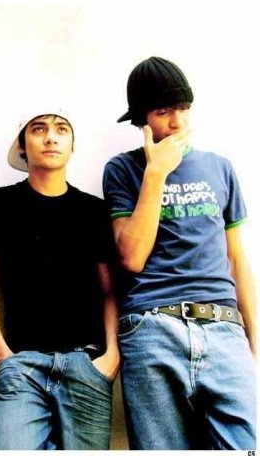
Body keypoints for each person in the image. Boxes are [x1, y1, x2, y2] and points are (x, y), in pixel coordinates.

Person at [103, 56, 256, 450]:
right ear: (142, 121)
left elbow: (237, 260)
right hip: (152, 326)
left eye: (183, 108)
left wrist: (255, 340)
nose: (176, 122)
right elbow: (132, 257)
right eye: (162, 112)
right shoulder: (123, 170)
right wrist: (156, 173)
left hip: (223, 327)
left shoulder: (220, 168)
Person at [0, 105, 120, 450]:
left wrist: (112, 355)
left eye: (61, 129)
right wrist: (1, 353)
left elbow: (110, 291)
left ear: (72, 145)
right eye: (38, 129)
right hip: (22, 363)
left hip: (87, 364)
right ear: (23, 145)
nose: (50, 137)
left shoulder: (95, 211)